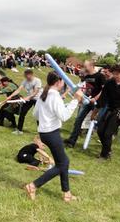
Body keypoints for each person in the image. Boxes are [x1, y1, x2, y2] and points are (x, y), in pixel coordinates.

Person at [25, 72, 83, 202]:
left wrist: (49, 115)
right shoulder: (55, 96)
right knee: (63, 163)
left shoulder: (44, 94)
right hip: (51, 133)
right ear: (58, 82)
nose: (63, 84)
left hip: (44, 133)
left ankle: (67, 194)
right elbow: (64, 116)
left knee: (62, 162)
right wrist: (75, 100)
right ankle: (33, 186)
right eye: (63, 81)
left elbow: (35, 114)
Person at [64, 60, 105, 148]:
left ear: (91, 66)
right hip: (87, 102)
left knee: (99, 123)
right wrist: (81, 99)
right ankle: (72, 141)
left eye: (86, 66)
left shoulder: (100, 76)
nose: (84, 68)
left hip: (97, 103)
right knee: (78, 120)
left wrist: (95, 98)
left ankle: (105, 143)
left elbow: (103, 90)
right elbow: (85, 89)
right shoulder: (87, 76)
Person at [4, 69, 42, 135]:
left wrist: (27, 97)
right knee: (22, 113)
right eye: (25, 76)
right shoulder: (25, 81)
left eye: (27, 76)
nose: (26, 77)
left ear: (31, 74)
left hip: (37, 99)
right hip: (28, 99)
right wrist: (10, 96)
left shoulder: (37, 81)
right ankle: (19, 130)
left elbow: (35, 92)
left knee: (38, 115)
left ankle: (41, 132)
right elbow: (18, 90)